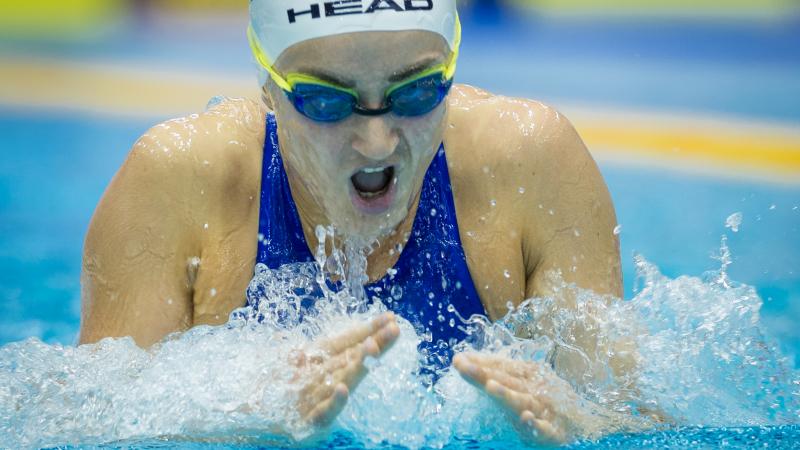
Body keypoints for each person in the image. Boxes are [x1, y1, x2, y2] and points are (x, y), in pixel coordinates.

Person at [79, 0, 636, 444]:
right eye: (326, 101)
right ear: (269, 89)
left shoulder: (530, 163)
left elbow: (637, 416)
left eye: (416, 91)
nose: (377, 141)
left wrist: (582, 428)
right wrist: (238, 418)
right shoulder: (181, 181)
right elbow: (86, 426)